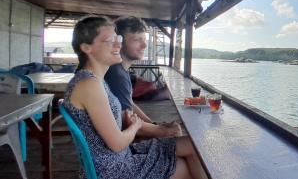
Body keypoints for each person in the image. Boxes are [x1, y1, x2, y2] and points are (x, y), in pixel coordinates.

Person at [62, 16, 205, 179]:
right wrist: (136, 126)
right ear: (87, 48)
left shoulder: (94, 80)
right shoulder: (90, 84)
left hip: (117, 159)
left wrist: (139, 124)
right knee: (189, 163)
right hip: (114, 169)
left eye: (119, 38)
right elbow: (117, 144)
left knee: (193, 146)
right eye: (110, 40)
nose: (118, 44)